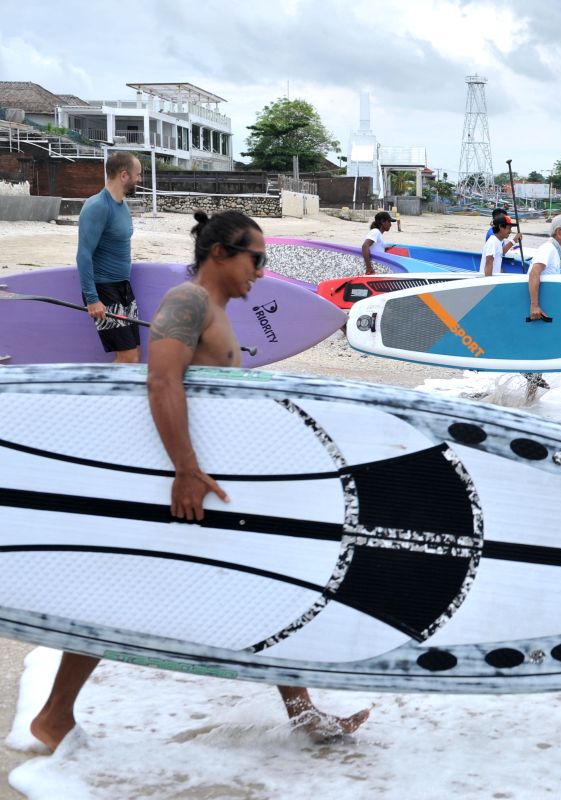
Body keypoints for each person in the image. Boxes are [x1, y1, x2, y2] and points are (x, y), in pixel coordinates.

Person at [29, 211, 370, 752]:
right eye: (256, 258)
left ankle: (303, 715)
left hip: (210, 480)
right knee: (136, 593)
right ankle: (53, 717)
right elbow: (161, 380)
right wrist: (184, 470)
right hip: (186, 479)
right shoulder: (187, 302)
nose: (262, 270)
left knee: (263, 588)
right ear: (221, 253)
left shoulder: (216, 310)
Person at [76, 151, 143, 363]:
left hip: (123, 288)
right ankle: (103, 395)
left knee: (135, 355)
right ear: (124, 175)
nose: (139, 180)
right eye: (138, 175)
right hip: (104, 291)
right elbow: (83, 255)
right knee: (128, 356)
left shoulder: (122, 205)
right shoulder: (98, 206)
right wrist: (93, 298)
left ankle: (121, 396)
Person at [523, 214, 561, 392]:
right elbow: (534, 273)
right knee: (537, 352)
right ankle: (530, 383)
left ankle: (528, 404)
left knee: (539, 355)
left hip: (544, 310)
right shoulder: (548, 249)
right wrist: (534, 305)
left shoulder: (555, 251)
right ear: (559, 232)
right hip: (537, 309)